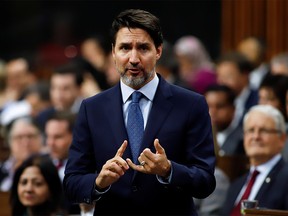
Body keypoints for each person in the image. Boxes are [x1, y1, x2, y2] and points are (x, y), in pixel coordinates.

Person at [64, 9, 216, 216]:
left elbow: (205, 181)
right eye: (125, 48)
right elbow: (72, 183)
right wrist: (99, 182)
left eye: (143, 48)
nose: (133, 58)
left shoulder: (191, 104)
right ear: (113, 53)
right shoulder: (92, 108)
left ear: (159, 51)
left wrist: (169, 170)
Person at [221, 105, 288, 215]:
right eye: (250, 130)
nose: (255, 136)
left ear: (282, 138)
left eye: (264, 130)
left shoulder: (285, 178)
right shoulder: (236, 185)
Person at [0, 116, 44, 192]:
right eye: (19, 137)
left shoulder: (53, 168)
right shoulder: (2, 170)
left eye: (30, 136)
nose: (25, 143)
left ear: (41, 139)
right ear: (9, 141)